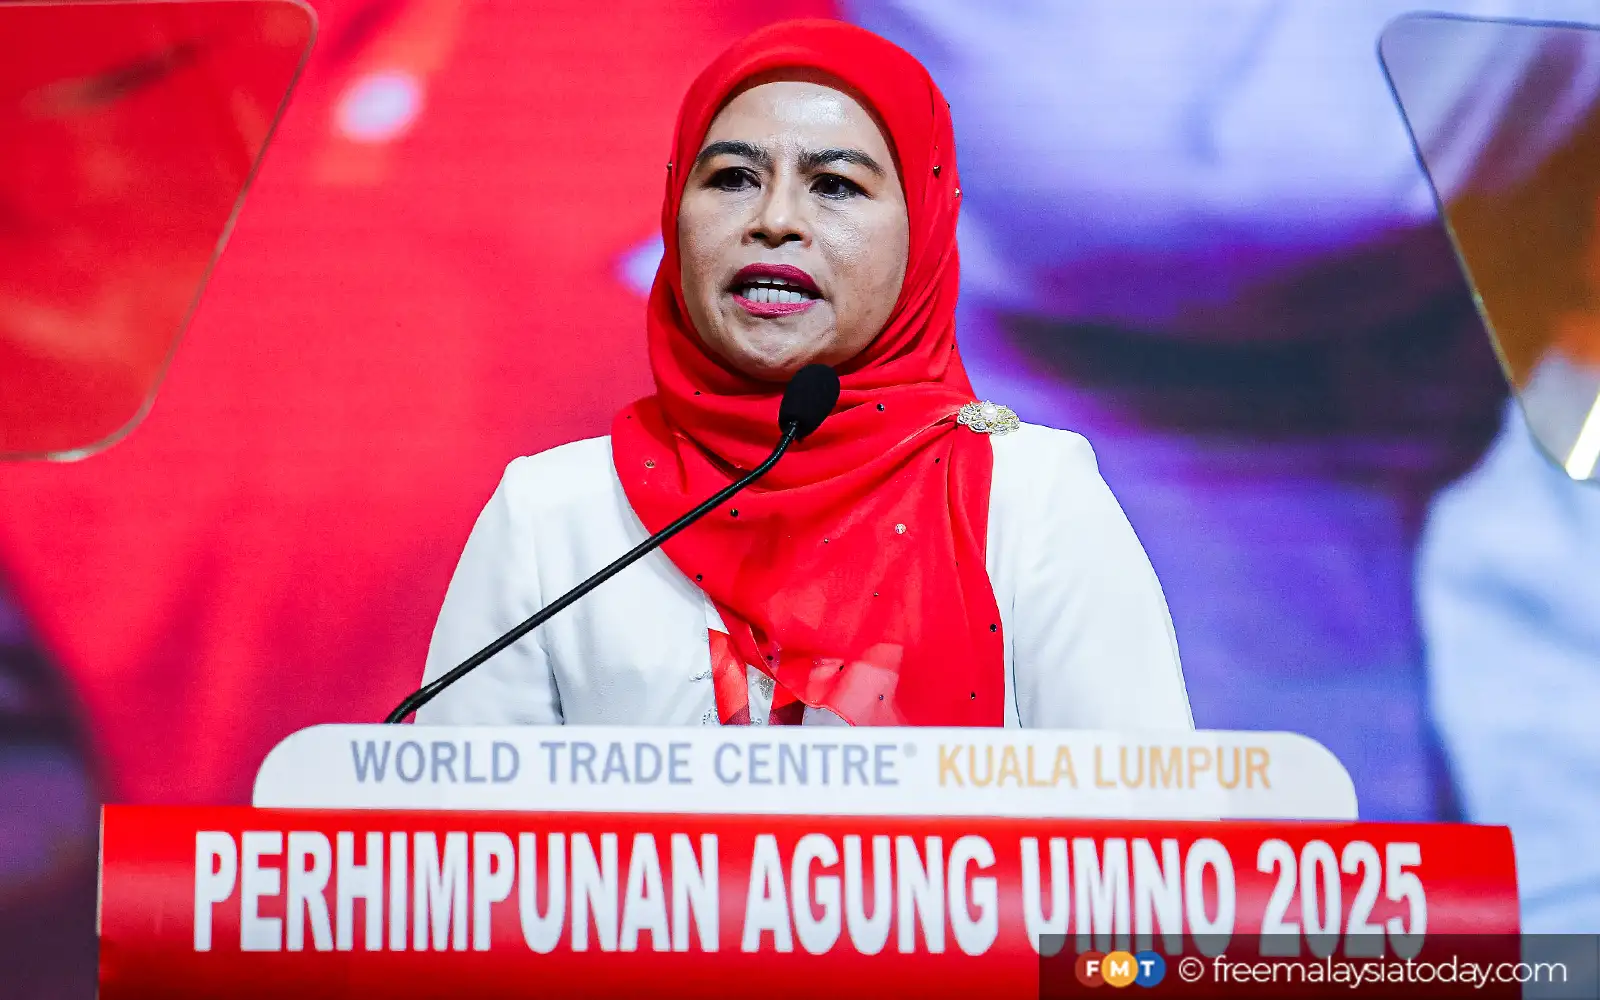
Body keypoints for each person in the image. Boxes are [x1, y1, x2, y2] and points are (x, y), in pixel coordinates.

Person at [418, 20, 1191, 729]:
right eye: (731, 178)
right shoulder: (554, 517)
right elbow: (450, 828)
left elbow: (1142, 822)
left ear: (924, 228)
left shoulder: (1029, 501)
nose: (775, 219)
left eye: (835, 185)